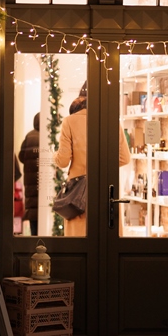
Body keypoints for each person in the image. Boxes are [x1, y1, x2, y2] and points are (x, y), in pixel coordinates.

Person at [53, 93, 130, 237]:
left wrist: (54, 155)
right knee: (106, 240)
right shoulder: (111, 121)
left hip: (78, 196)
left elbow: (62, 161)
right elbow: (124, 158)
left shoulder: (70, 122)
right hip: (106, 191)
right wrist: (101, 166)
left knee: (80, 244)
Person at [17, 113, 41, 236]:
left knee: (33, 212)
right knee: (43, 211)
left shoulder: (29, 136)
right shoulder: (46, 137)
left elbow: (21, 156)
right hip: (42, 183)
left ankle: (33, 240)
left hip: (30, 183)